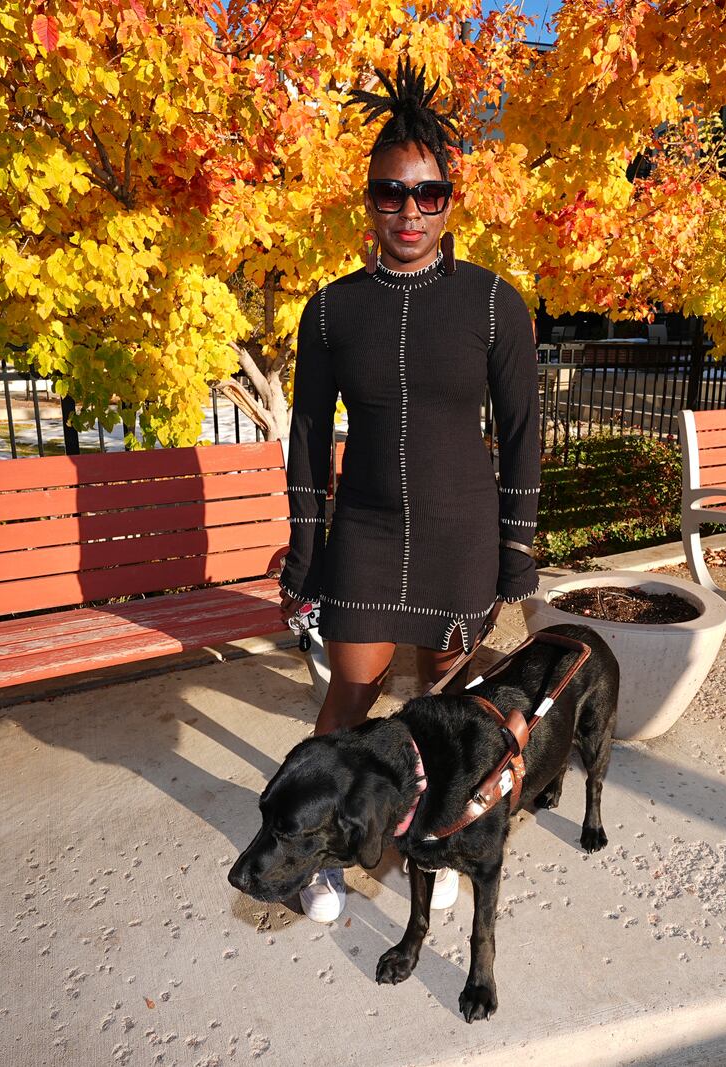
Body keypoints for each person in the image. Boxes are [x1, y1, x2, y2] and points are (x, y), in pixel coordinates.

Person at [276, 60, 540, 923]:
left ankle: (446, 837)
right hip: (365, 532)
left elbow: (523, 431)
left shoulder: (498, 305)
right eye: (392, 194)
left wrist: (518, 553)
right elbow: (310, 436)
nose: (411, 212)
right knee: (349, 697)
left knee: (449, 711)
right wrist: (307, 557)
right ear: (369, 202)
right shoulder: (328, 311)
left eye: (430, 194)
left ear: (451, 200)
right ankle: (312, 849)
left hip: (461, 535)